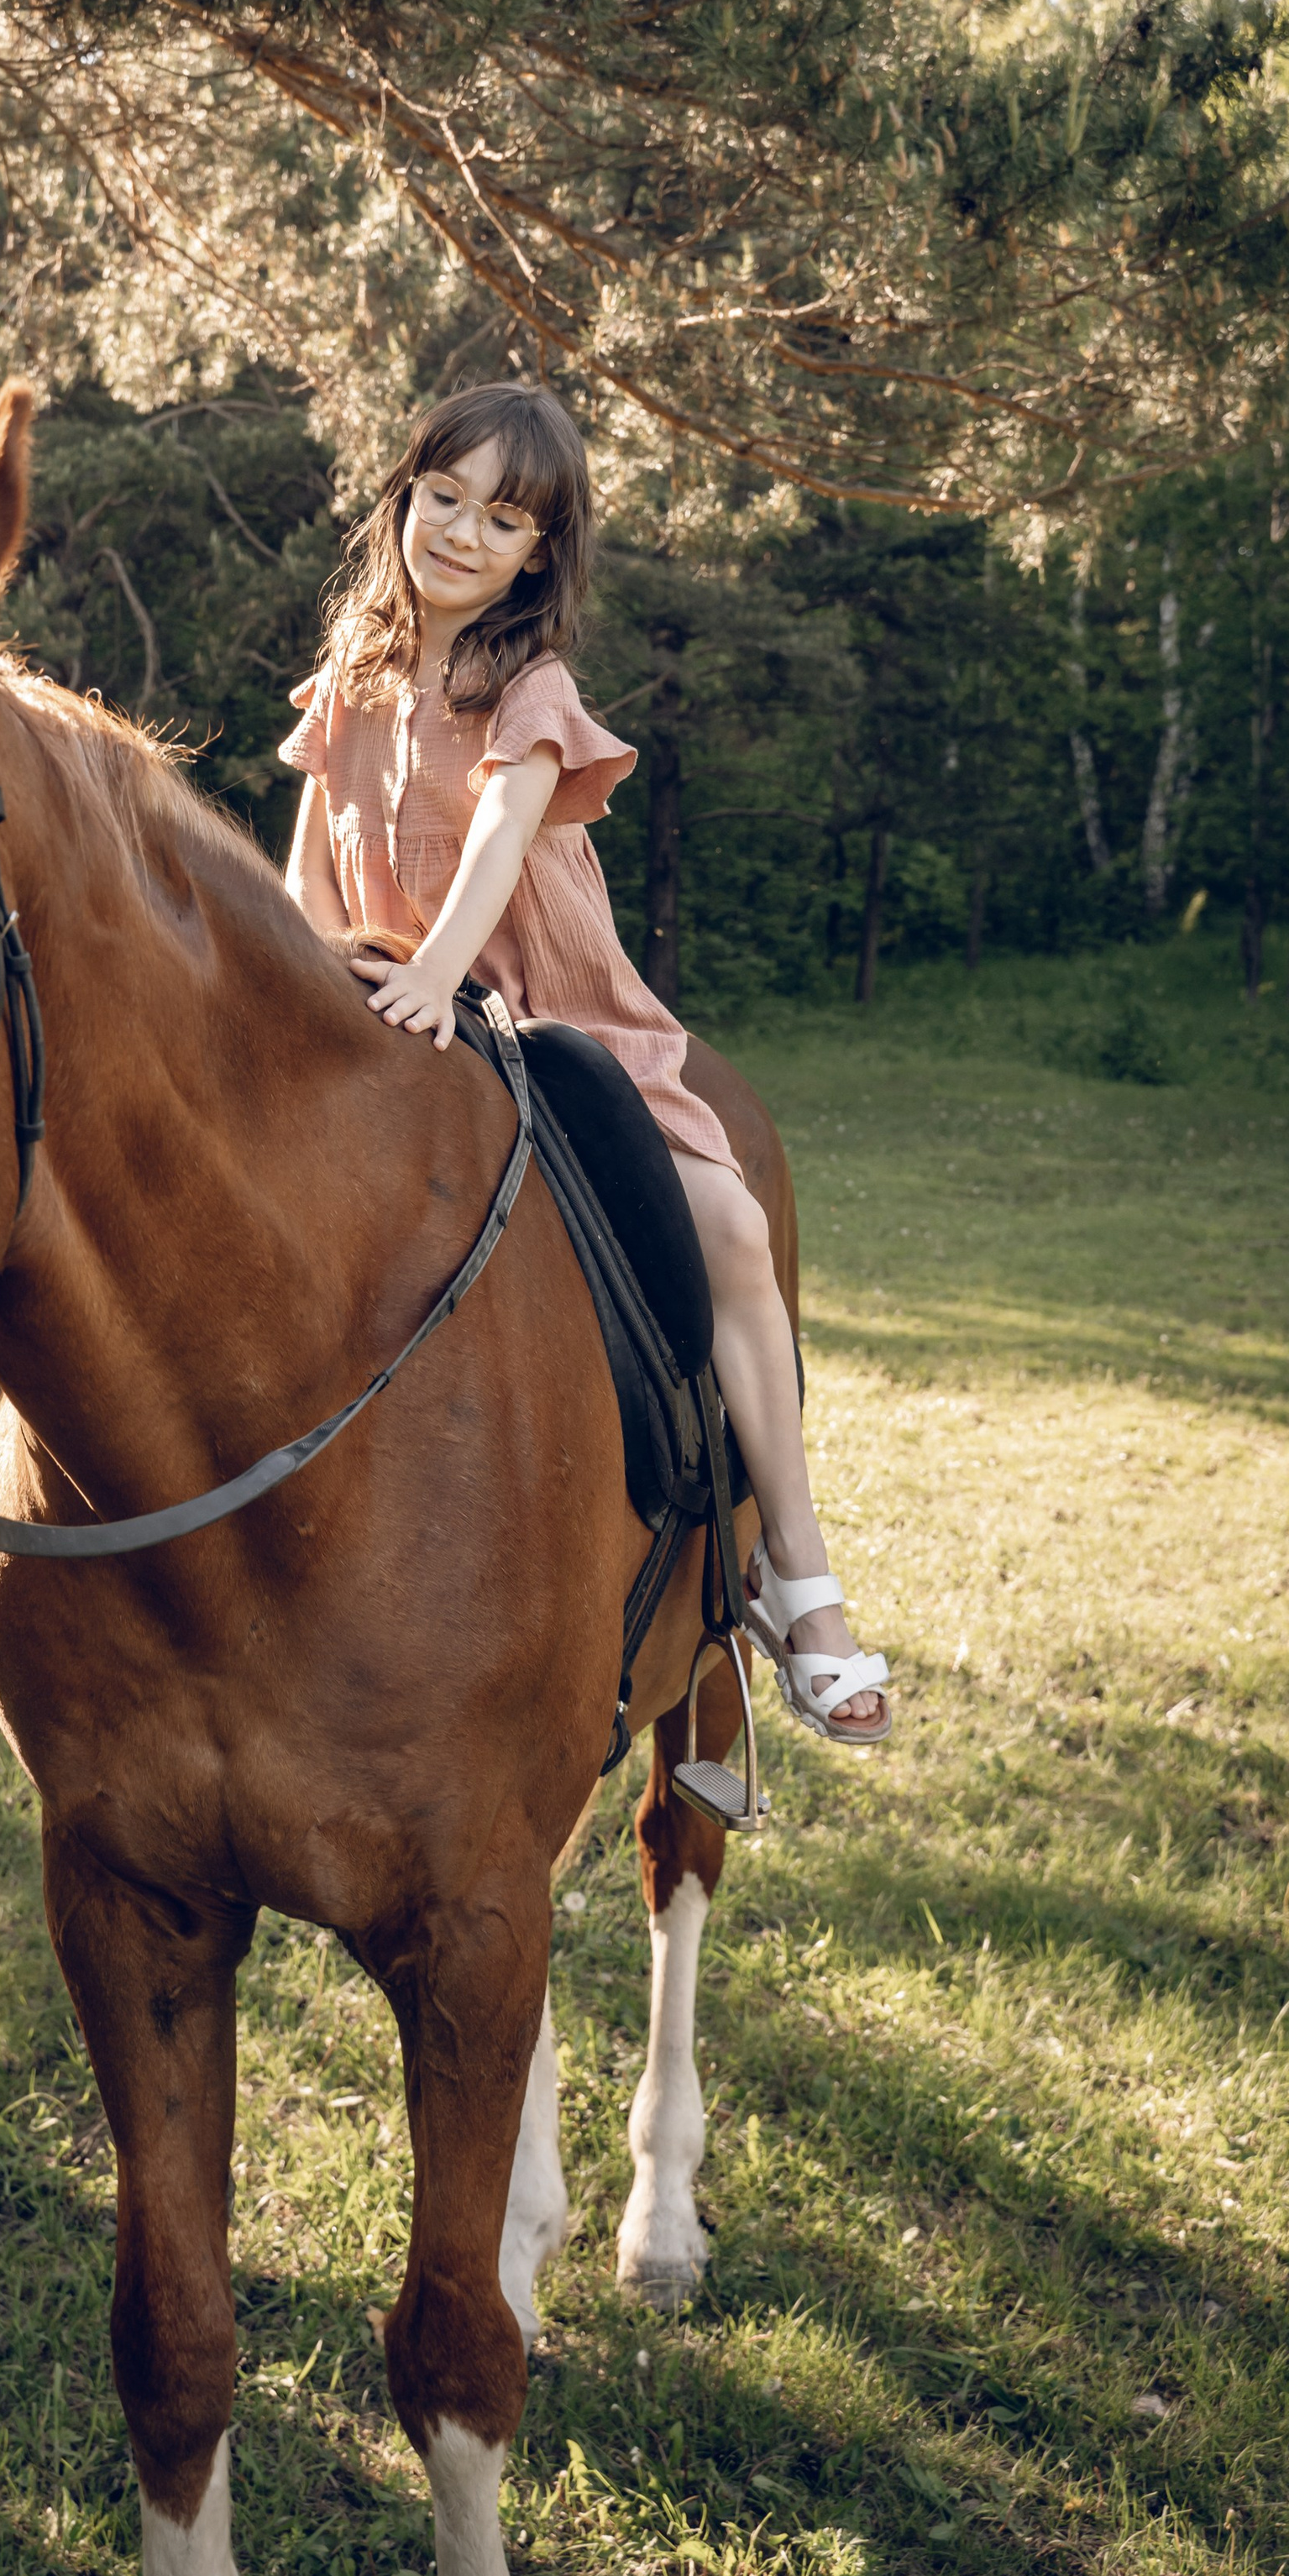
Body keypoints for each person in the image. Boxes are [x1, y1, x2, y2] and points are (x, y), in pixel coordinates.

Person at [280, 381, 889, 1742]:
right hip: (386, 1002)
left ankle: (794, 1575)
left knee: (730, 1227)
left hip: (549, 1013)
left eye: (501, 521)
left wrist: (436, 974)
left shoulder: (528, 686)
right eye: (443, 498)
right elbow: (311, 858)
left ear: (537, 554)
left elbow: (501, 841)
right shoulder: (354, 666)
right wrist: (324, 975)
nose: (459, 533)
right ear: (403, 498)